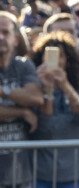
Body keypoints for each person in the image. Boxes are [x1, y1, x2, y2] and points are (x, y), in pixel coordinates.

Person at [30, 31, 79, 188]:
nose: (55, 61)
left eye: (60, 55)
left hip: (71, 174)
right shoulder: (33, 87)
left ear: (68, 62)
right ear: (41, 59)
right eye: (49, 55)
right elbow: (44, 128)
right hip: (40, 173)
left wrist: (65, 86)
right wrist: (48, 90)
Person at [0, 11, 43, 188]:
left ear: (15, 39)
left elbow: (36, 98)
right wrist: (22, 111)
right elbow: (27, 100)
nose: (0, 37)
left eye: (5, 32)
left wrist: (3, 91)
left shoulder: (24, 66)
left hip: (21, 169)